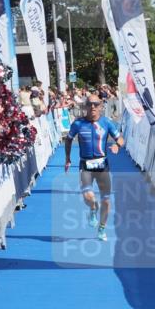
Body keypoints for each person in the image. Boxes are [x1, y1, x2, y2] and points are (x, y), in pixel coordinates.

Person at [64, 96, 125, 242]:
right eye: (89, 104)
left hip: (102, 166)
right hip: (86, 165)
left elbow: (120, 138)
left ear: (101, 106)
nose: (92, 107)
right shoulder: (78, 123)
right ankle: (92, 207)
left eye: (96, 104)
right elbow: (69, 139)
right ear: (85, 106)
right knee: (88, 196)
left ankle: (102, 229)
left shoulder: (106, 122)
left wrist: (117, 145)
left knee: (106, 200)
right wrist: (67, 158)